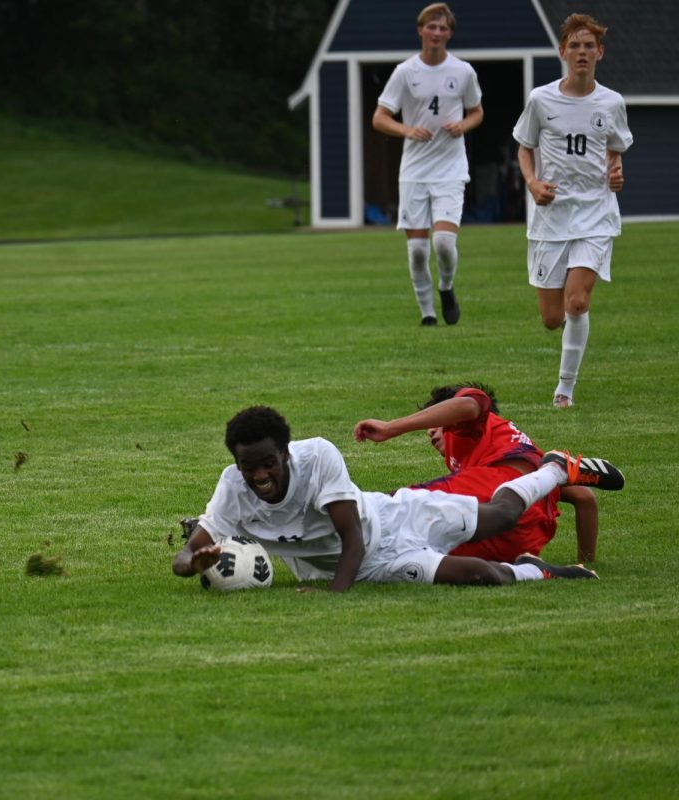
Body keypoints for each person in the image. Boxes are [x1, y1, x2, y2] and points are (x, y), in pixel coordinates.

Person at [173, 406, 624, 592]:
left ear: (285, 453)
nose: (260, 476)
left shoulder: (318, 457)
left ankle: (552, 468)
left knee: (503, 515)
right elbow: (190, 548)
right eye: (249, 467)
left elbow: (351, 536)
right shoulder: (234, 486)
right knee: (484, 576)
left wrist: (334, 595)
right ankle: (540, 570)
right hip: (379, 567)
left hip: (396, 521)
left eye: (267, 463)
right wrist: (190, 562)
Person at [513, 14, 632, 409]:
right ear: (563, 52)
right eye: (575, 46)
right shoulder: (541, 100)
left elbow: (614, 146)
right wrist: (532, 183)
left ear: (600, 52)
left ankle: (565, 389)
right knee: (552, 317)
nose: (582, 52)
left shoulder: (612, 102)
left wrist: (615, 169)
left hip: (596, 214)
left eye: (589, 46)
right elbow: (524, 147)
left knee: (577, 302)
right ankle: (568, 327)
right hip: (551, 216)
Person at [353, 382, 599, 563]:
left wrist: (390, 428)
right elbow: (584, 497)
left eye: (434, 422)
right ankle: (534, 571)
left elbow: (468, 406)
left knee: (390, 508)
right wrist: (586, 562)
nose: (429, 431)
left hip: (496, 493)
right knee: (414, 551)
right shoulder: (512, 448)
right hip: (521, 541)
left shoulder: (479, 419)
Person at [373, 3, 483, 326]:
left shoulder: (463, 72)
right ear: (420, 30)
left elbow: (477, 111)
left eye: (443, 28)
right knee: (419, 251)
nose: (437, 33)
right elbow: (379, 118)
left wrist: (464, 124)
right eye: (431, 27)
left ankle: (446, 287)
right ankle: (428, 314)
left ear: (449, 33)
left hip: (450, 169)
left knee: (444, 244)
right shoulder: (405, 72)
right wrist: (407, 129)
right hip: (415, 171)